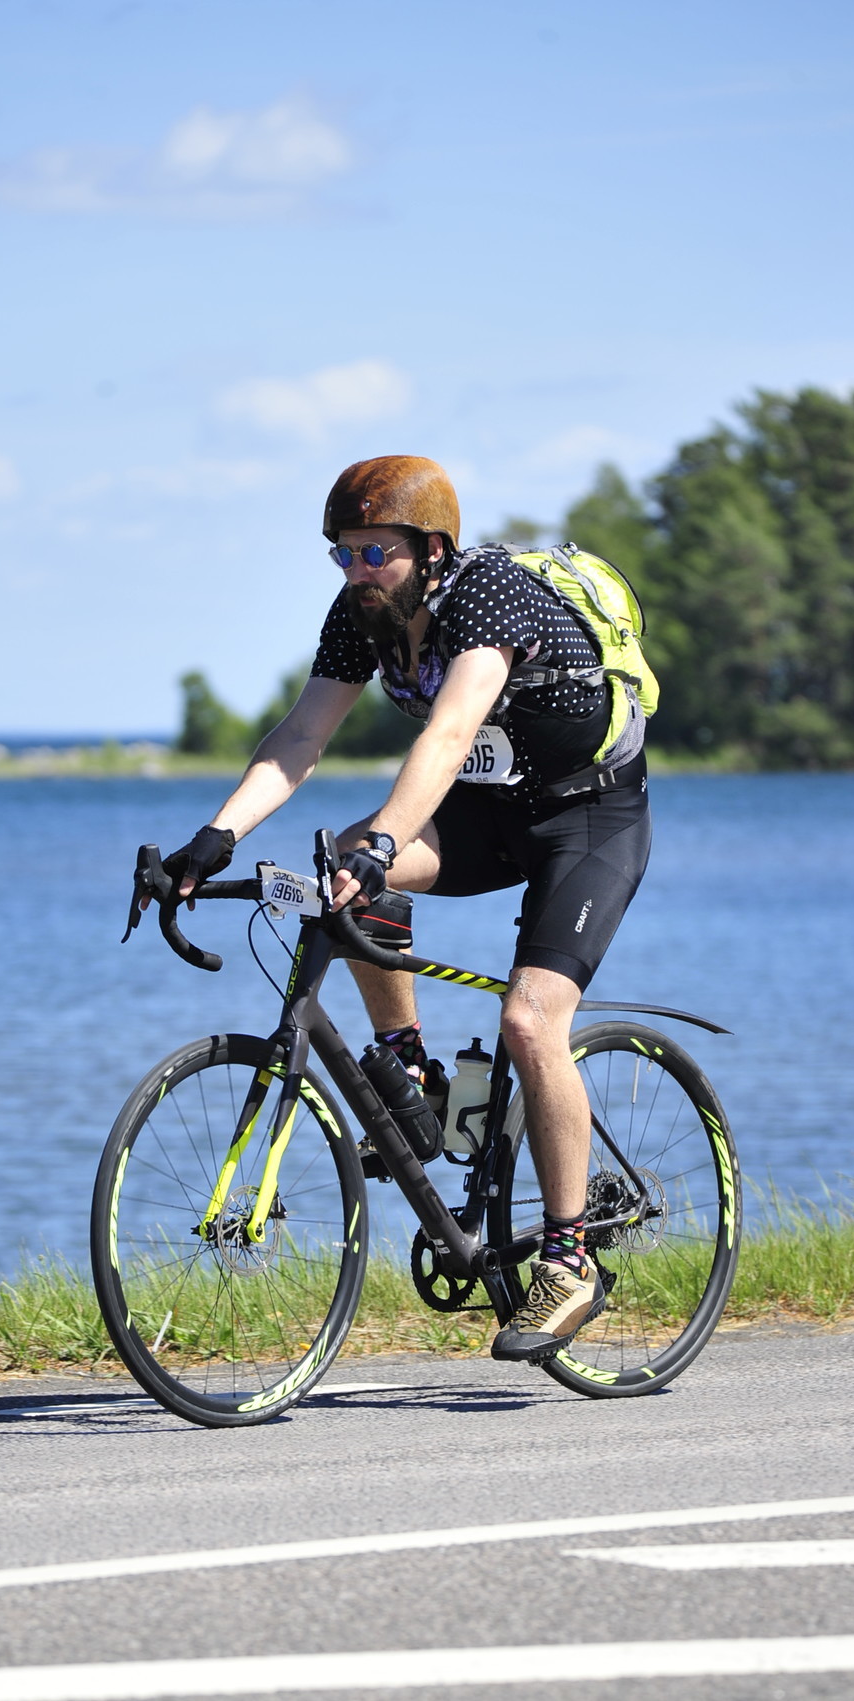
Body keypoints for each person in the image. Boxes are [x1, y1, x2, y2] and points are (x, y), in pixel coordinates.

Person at [159, 455, 652, 1363]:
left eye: (373, 552)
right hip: (489, 816)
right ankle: (412, 1068)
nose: (356, 571)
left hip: (588, 820)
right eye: (342, 554)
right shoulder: (363, 615)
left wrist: (385, 841)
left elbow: (452, 731)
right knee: (342, 872)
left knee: (529, 1021)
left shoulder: (488, 595)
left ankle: (570, 1260)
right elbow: (302, 734)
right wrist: (215, 836)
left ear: (431, 551)